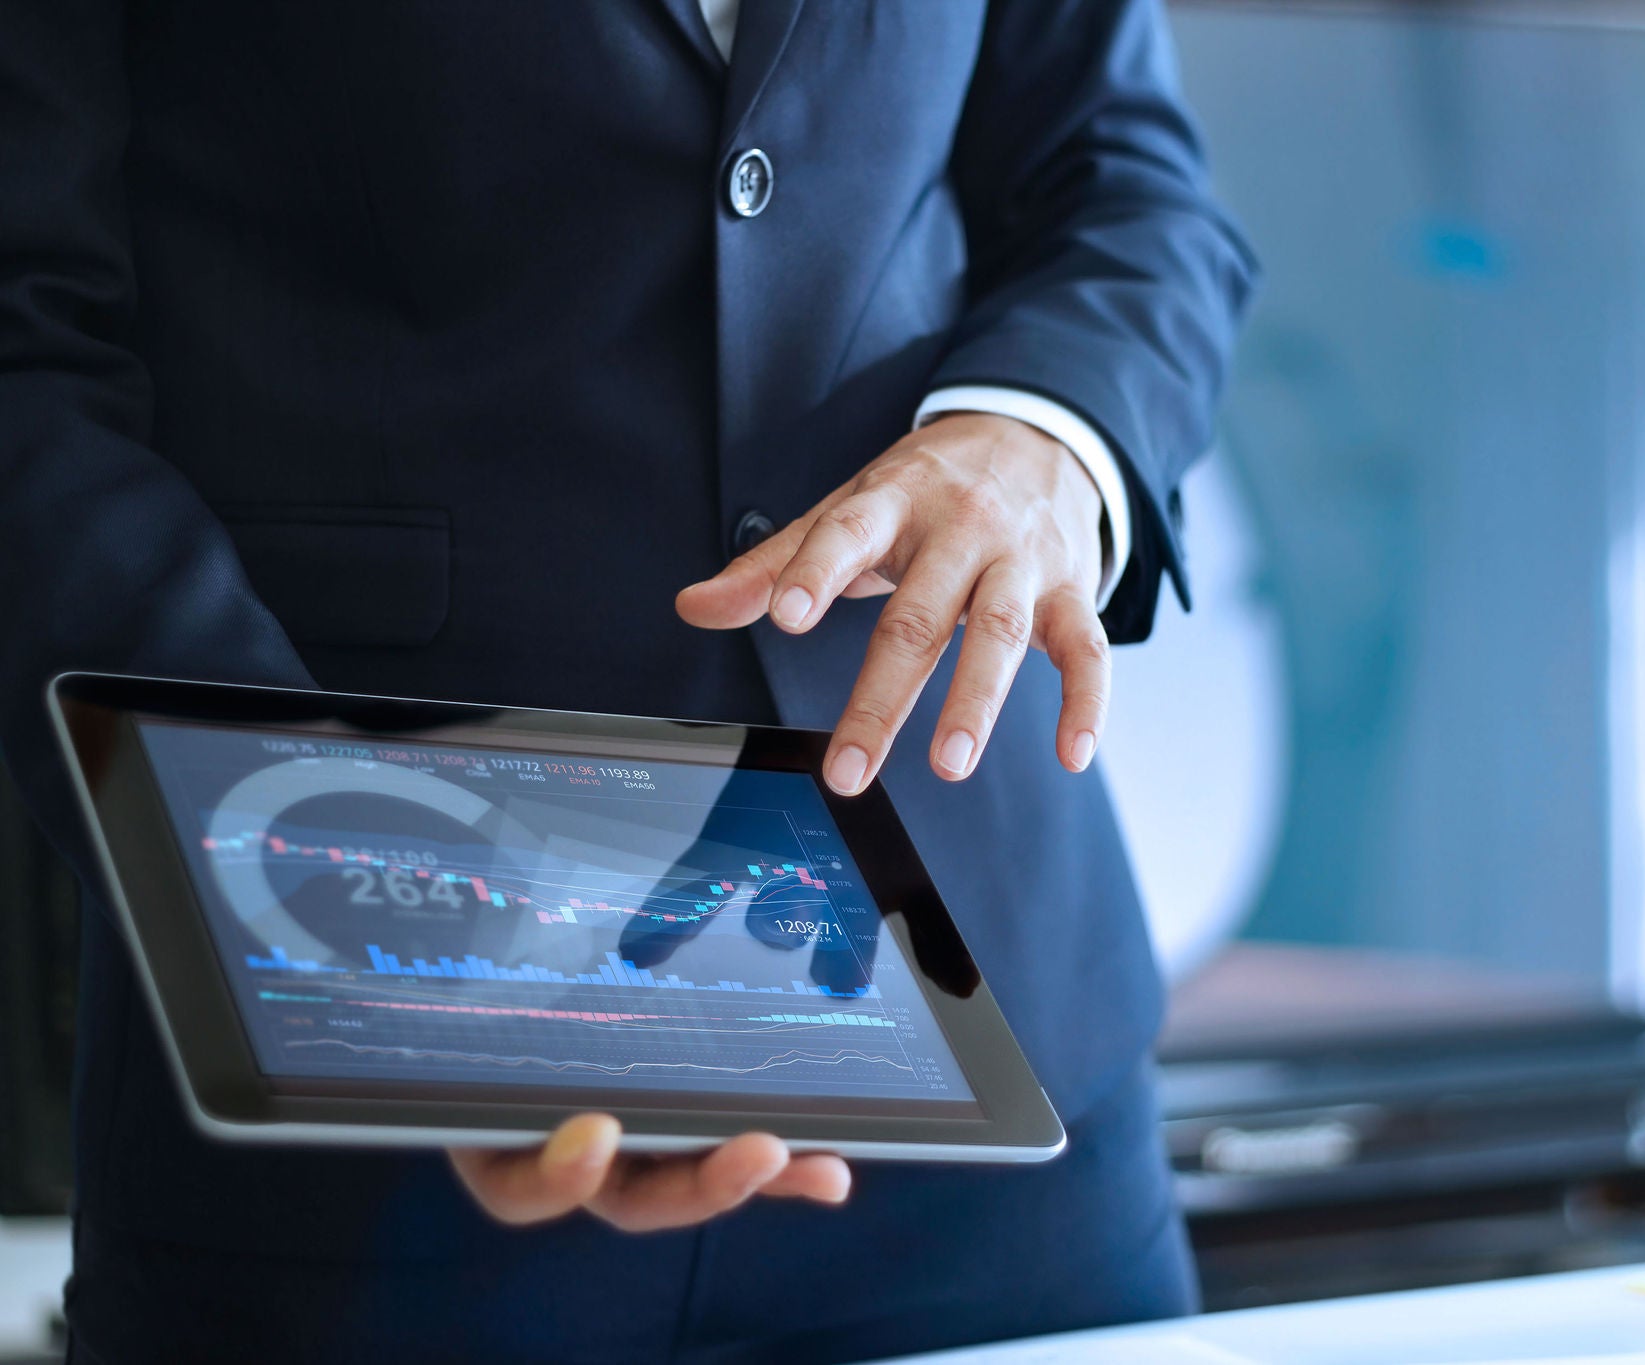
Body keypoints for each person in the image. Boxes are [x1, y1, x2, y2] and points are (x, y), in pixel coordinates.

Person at [0, 0, 1254, 1359]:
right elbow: (23, 349)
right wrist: (313, 901)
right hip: (355, 1128)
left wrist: (1042, 433)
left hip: (995, 1046)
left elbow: (1129, 182)